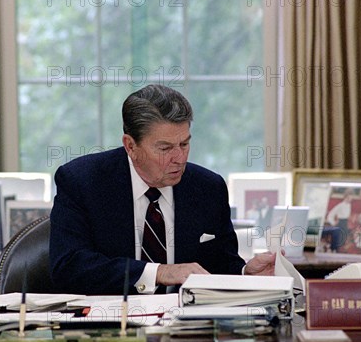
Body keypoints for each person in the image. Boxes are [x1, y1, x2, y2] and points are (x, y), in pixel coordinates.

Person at [49, 84, 276, 295]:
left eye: (184, 144)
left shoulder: (208, 188)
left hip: (187, 328)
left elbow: (220, 267)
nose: (179, 158)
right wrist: (159, 272)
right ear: (130, 146)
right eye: (165, 148)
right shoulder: (82, 181)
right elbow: (68, 267)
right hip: (112, 326)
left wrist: (245, 274)